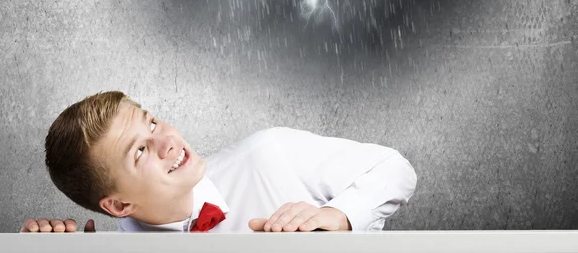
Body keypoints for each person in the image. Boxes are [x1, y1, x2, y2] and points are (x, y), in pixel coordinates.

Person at [20, 90, 417, 233]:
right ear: (119, 205)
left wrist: (339, 216)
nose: (167, 141)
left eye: (153, 122)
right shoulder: (119, 249)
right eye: (139, 151)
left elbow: (394, 169)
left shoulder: (268, 154)